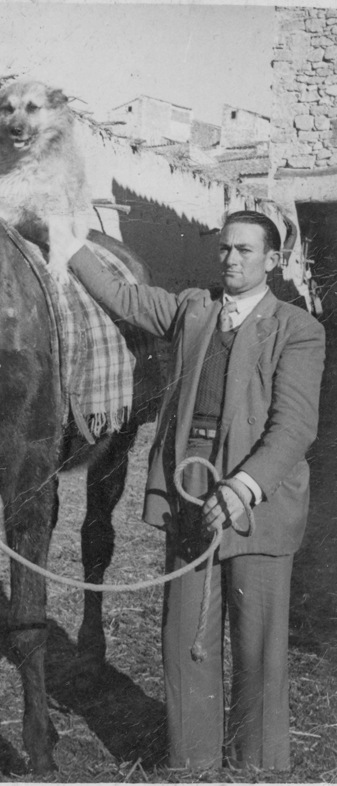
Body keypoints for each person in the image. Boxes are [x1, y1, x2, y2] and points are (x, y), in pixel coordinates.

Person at [66, 211, 325, 771]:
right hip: (189, 496)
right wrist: (64, 239)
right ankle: (192, 764)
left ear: (272, 262)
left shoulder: (298, 330)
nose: (231, 260)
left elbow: (295, 426)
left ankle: (257, 768)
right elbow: (124, 298)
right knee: (186, 639)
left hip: (258, 506)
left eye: (245, 251)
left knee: (256, 649)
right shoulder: (194, 308)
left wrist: (244, 487)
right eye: (225, 249)